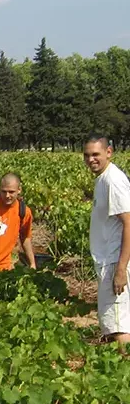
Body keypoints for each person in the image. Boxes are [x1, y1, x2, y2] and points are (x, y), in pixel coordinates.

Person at [84, 134, 130, 347]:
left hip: (114, 262)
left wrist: (121, 269)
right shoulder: (102, 179)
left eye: (96, 154)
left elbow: (129, 223)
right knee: (111, 323)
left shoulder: (113, 180)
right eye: (87, 155)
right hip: (108, 263)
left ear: (109, 152)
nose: (91, 159)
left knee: (119, 326)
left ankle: (122, 375)